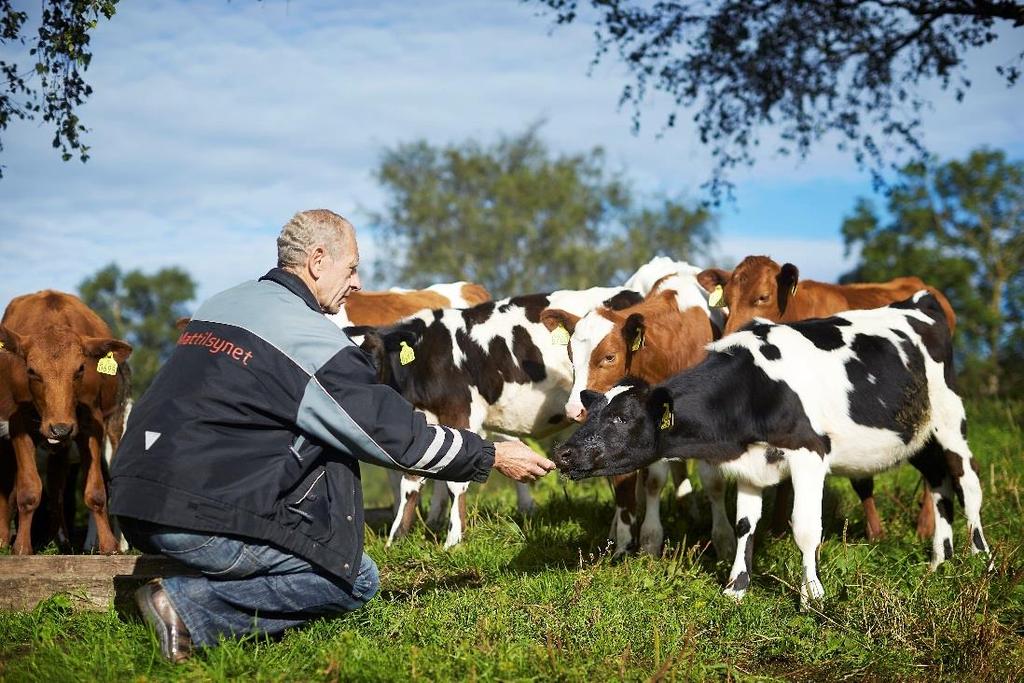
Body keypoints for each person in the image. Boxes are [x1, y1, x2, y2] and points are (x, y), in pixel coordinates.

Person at [109, 209, 555, 663]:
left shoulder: (223, 305)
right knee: (352, 578)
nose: (358, 282)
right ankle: (187, 608)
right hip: (196, 517)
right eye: (352, 266)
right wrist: (491, 454)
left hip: (135, 502)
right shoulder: (309, 339)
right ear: (318, 261)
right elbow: (394, 437)